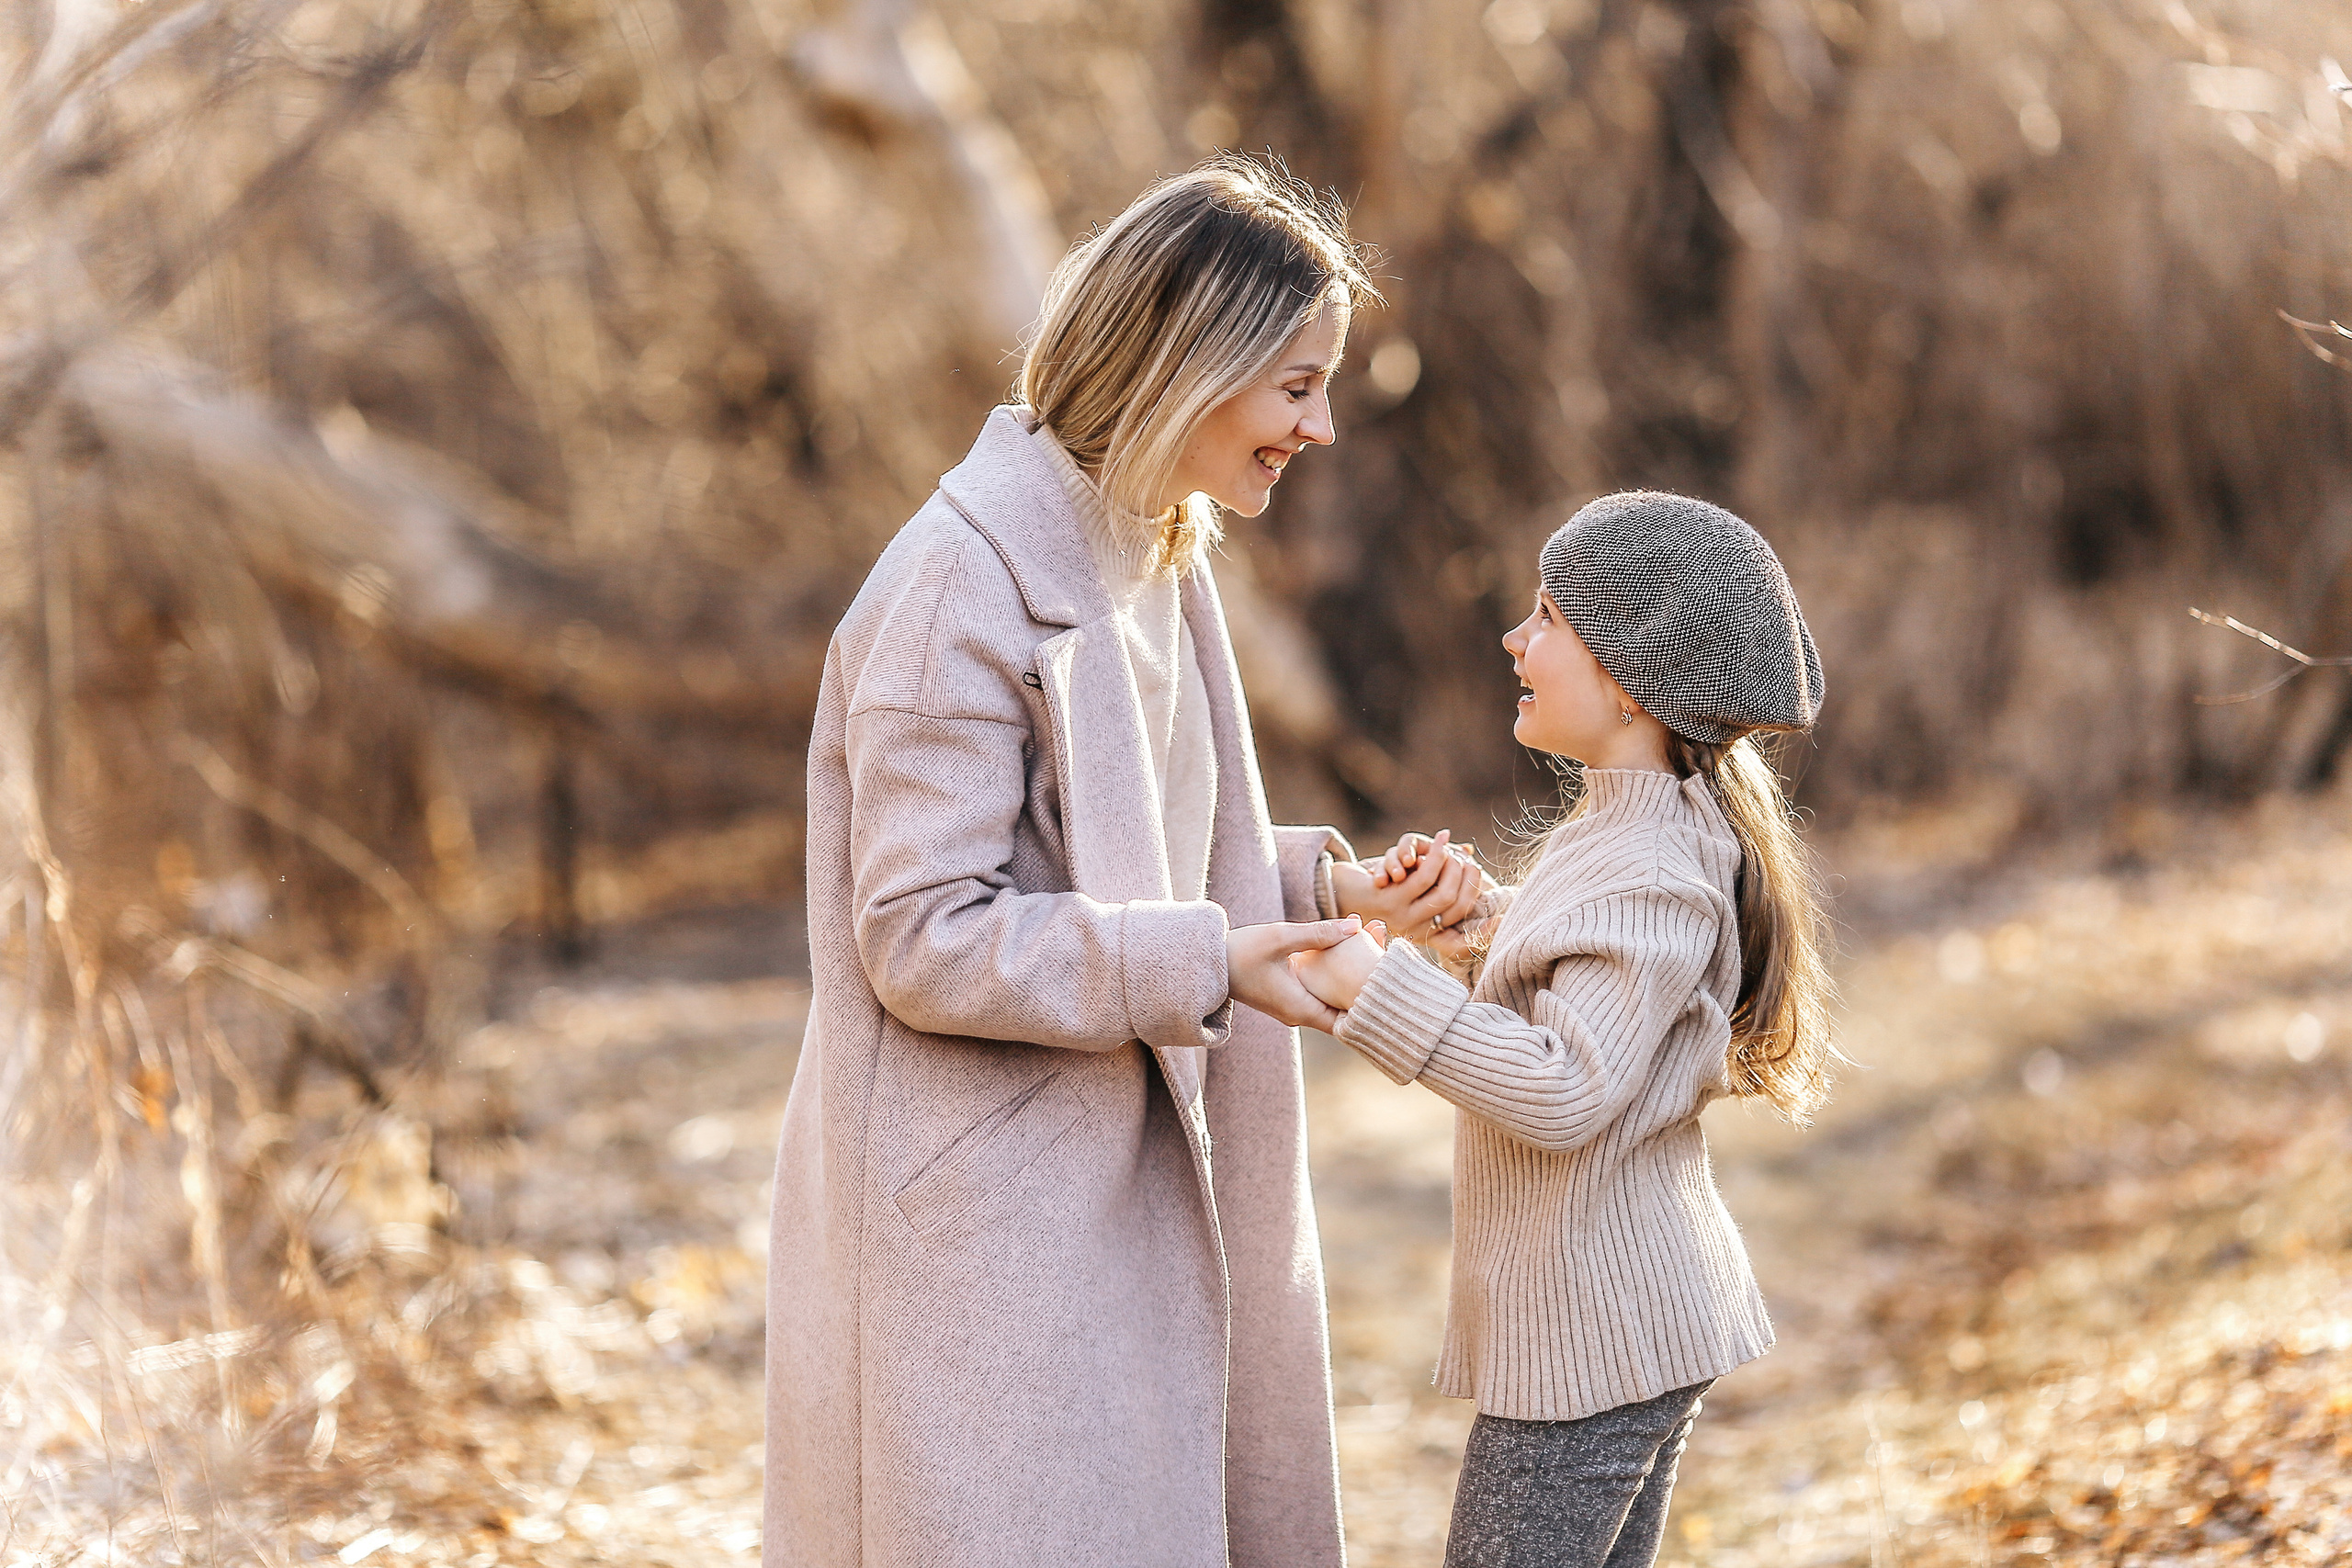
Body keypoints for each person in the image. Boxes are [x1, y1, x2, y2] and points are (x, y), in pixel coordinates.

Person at [763, 155, 1484, 1568]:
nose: (1321, 424)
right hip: (987, 1238)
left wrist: (1325, 890)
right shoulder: (957, 589)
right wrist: (1217, 956)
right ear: (1185, 364)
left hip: (1114, 1194)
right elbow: (922, 932)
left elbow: (1130, 845)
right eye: (1296, 384)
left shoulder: (1155, 544)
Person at [1292, 491, 1838, 1568]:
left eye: (1546, 617)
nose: (1513, 638)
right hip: (1618, 1319)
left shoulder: (1648, 861)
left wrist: (1376, 989)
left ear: (1633, 682)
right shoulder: (1634, 826)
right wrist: (1477, 931)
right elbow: (1600, 988)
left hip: (1595, 1341)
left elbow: (1564, 1087)